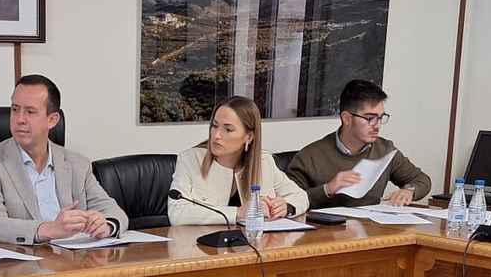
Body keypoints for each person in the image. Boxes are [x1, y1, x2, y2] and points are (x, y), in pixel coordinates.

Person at [0, 75, 128, 245]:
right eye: (15, 109)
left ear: (52, 120)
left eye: (30, 112)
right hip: (16, 266)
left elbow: (115, 212)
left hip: (72, 263)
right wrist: (50, 229)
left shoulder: (77, 164)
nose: (20, 119)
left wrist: (106, 225)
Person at [287, 79, 431, 209]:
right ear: (347, 118)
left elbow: (421, 179)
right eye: (370, 118)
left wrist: (409, 190)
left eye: (381, 118)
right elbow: (289, 201)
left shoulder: (384, 150)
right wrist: (327, 189)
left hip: (371, 232)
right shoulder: (309, 157)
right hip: (323, 234)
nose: (378, 125)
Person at [167, 96, 309, 226]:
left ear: (249, 137)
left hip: (255, 246)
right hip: (202, 248)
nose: (216, 135)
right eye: (215, 126)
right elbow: (177, 214)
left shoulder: (264, 162)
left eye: (228, 129)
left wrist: (287, 206)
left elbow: (301, 196)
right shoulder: (190, 160)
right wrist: (238, 213)